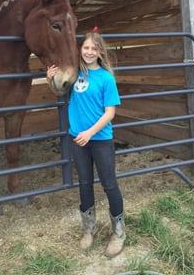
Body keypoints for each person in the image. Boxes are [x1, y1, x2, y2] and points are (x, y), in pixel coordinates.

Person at [47, 31, 125, 257]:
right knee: (84, 183)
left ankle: (118, 231)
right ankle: (88, 229)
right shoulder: (76, 74)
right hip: (78, 139)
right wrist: (49, 77)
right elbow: (59, 91)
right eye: (86, 48)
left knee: (109, 184)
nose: (89, 52)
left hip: (99, 139)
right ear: (80, 50)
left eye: (94, 48)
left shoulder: (106, 78)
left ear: (100, 52)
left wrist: (90, 133)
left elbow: (110, 113)